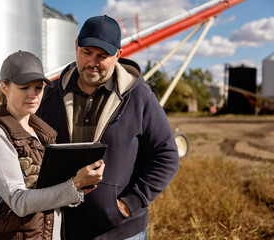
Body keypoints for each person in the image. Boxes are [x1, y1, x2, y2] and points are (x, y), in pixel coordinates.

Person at [37, 15, 180, 239]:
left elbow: (167, 156)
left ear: (118, 55)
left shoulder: (138, 97)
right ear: (76, 46)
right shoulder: (51, 95)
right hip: (63, 228)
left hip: (122, 231)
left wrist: (127, 205)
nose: (92, 62)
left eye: (102, 56)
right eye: (86, 53)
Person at [0, 50, 105, 240]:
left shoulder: (43, 134)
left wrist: (80, 187)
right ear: (5, 88)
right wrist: (74, 184)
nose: (33, 94)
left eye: (38, 87)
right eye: (24, 87)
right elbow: (18, 202)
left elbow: (52, 194)